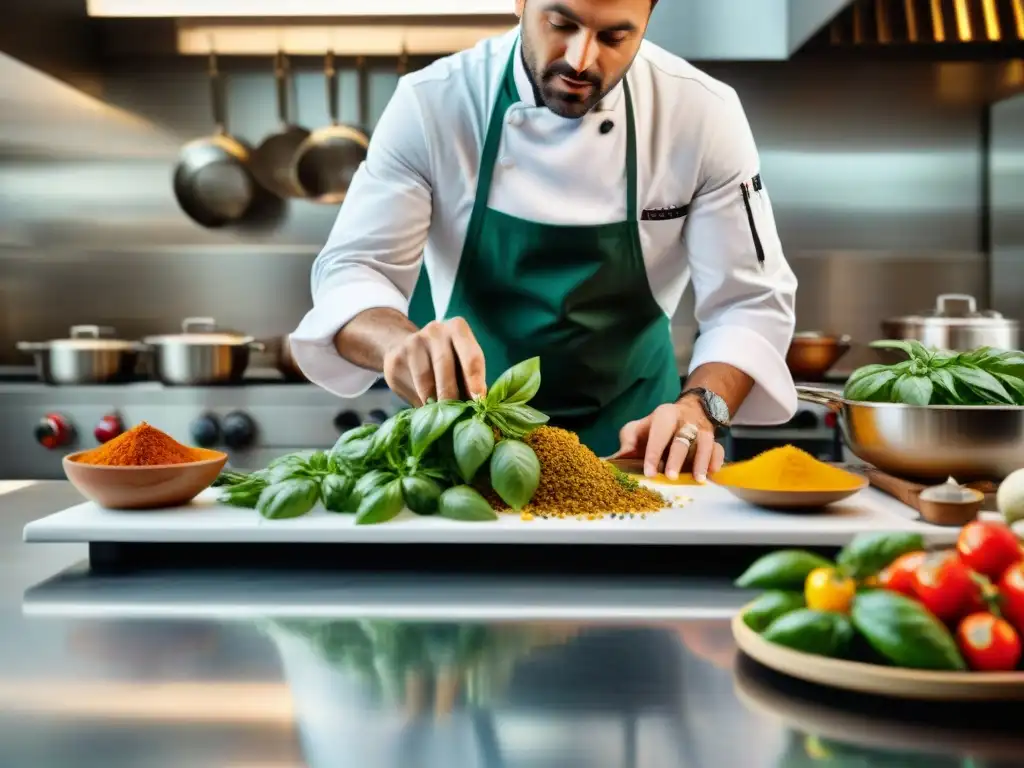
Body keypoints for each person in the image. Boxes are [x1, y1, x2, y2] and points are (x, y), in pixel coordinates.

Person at [290, 0, 798, 483]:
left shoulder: (701, 113)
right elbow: (354, 271)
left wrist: (701, 408)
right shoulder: (435, 102)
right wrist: (399, 345)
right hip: (472, 451)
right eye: (561, 24)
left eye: (615, 36)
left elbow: (749, 300)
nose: (581, 59)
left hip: (639, 455)